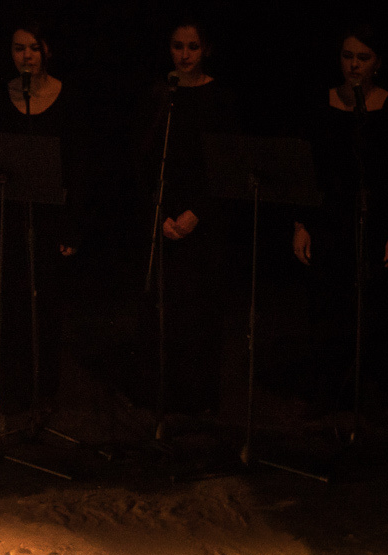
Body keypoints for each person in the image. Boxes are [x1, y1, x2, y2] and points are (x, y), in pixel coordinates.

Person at [0, 20, 87, 416]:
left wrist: (72, 226)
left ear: (47, 50)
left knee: (47, 300)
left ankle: (45, 385)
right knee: (13, 299)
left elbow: (76, 168)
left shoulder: (66, 98)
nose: (27, 56)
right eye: (19, 49)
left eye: (34, 48)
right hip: (10, 213)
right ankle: (14, 386)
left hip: (51, 216)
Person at [291, 24, 388, 412]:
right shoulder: (322, 103)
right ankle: (327, 392)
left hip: (376, 219)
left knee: (375, 306)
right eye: (347, 56)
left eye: (363, 57)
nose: (353, 64)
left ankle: (369, 394)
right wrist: (302, 224)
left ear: (378, 63)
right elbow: (306, 169)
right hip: (329, 217)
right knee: (327, 305)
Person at [139, 19, 238, 418]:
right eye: (177, 46)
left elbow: (227, 166)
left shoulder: (221, 98)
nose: (184, 55)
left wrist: (198, 213)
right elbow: (145, 160)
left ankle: (200, 404)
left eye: (192, 47)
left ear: (206, 49)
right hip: (165, 216)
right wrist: (159, 212)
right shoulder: (162, 95)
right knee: (166, 310)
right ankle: (165, 398)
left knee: (201, 313)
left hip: (205, 219)